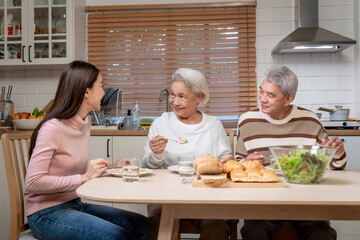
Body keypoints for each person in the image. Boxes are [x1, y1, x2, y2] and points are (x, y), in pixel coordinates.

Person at [25, 61, 152, 240]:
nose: (103, 91)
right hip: (45, 214)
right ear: (86, 91)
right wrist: (84, 178)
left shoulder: (84, 124)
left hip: (74, 204)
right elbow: (33, 182)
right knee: (116, 236)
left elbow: (71, 171)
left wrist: (111, 168)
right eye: (101, 85)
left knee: (144, 226)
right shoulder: (52, 128)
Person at [235, 65, 346, 240]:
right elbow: (237, 163)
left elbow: (332, 166)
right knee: (255, 230)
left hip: (306, 201)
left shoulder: (310, 120)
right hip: (264, 202)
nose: (263, 99)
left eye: (271, 95)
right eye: (261, 91)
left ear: (288, 99)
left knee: (322, 232)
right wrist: (246, 163)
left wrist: (337, 152)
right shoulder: (246, 121)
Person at [142, 68, 234, 240]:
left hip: (205, 195)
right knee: (160, 224)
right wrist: (157, 154)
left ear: (199, 97)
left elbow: (225, 162)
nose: (175, 102)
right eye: (172, 95)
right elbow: (146, 167)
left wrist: (227, 163)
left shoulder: (213, 125)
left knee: (217, 227)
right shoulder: (161, 123)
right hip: (165, 195)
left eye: (182, 96)